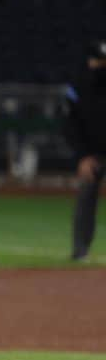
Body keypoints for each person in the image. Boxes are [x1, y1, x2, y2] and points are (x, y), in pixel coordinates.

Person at [63, 40, 106, 262]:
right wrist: (82, 157)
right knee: (86, 195)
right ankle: (80, 250)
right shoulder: (78, 86)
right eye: (98, 61)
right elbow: (71, 126)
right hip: (92, 153)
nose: (100, 66)